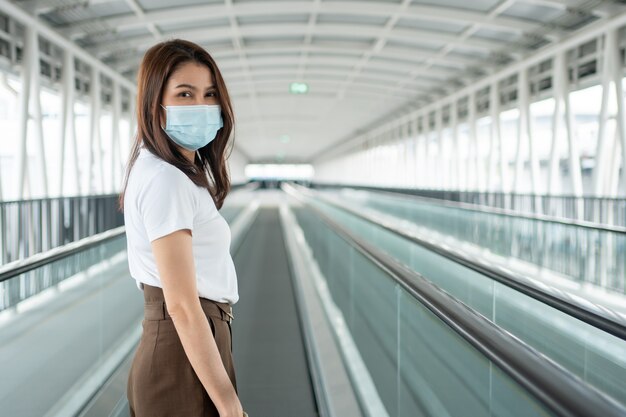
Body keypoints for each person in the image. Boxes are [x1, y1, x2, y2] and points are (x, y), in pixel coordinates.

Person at [118, 39, 247, 417]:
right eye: (185, 94)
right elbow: (182, 306)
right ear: (155, 104)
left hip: (187, 346)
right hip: (181, 349)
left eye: (210, 95)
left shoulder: (171, 174)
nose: (202, 106)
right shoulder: (166, 180)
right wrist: (229, 405)